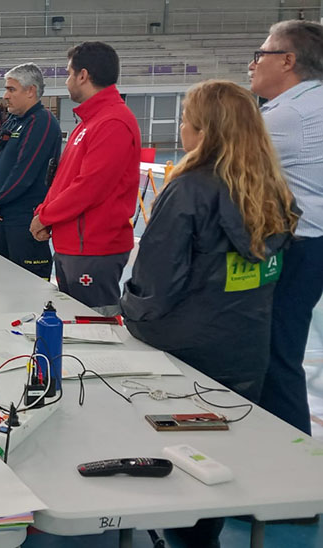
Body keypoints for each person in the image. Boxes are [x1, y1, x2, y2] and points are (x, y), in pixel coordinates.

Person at [122, 80, 298, 548]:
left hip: (185, 352)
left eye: (185, 120)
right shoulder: (273, 188)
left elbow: (155, 288)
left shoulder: (189, 191)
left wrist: (125, 310)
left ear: (202, 130)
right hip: (246, 347)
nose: (181, 128)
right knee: (225, 457)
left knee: (183, 462)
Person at [250, 20, 323, 435]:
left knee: (273, 356)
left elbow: (217, 169)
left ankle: (292, 457)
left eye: (261, 54)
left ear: (288, 60)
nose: (254, 64)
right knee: (283, 351)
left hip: (292, 246)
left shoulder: (287, 115)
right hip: (310, 244)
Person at [30, 42, 141, 315]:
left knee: (96, 328)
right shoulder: (90, 122)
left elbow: (89, 188)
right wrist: (45, 213)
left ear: (83, 75)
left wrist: (45, 217)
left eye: (69, 73)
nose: (67, 81)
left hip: (94, 249)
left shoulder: (112, 122)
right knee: (73, 323)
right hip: (75, 245)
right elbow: (64, 180)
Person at [0, 64, 61, 279]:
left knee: (28, 285)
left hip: (25, 220)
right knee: (3, 281)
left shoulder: (42, 122)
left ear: (31, 91)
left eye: (11, 90)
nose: (5, 96)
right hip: (3, 217)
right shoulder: (14, 121)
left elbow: (24, 175)